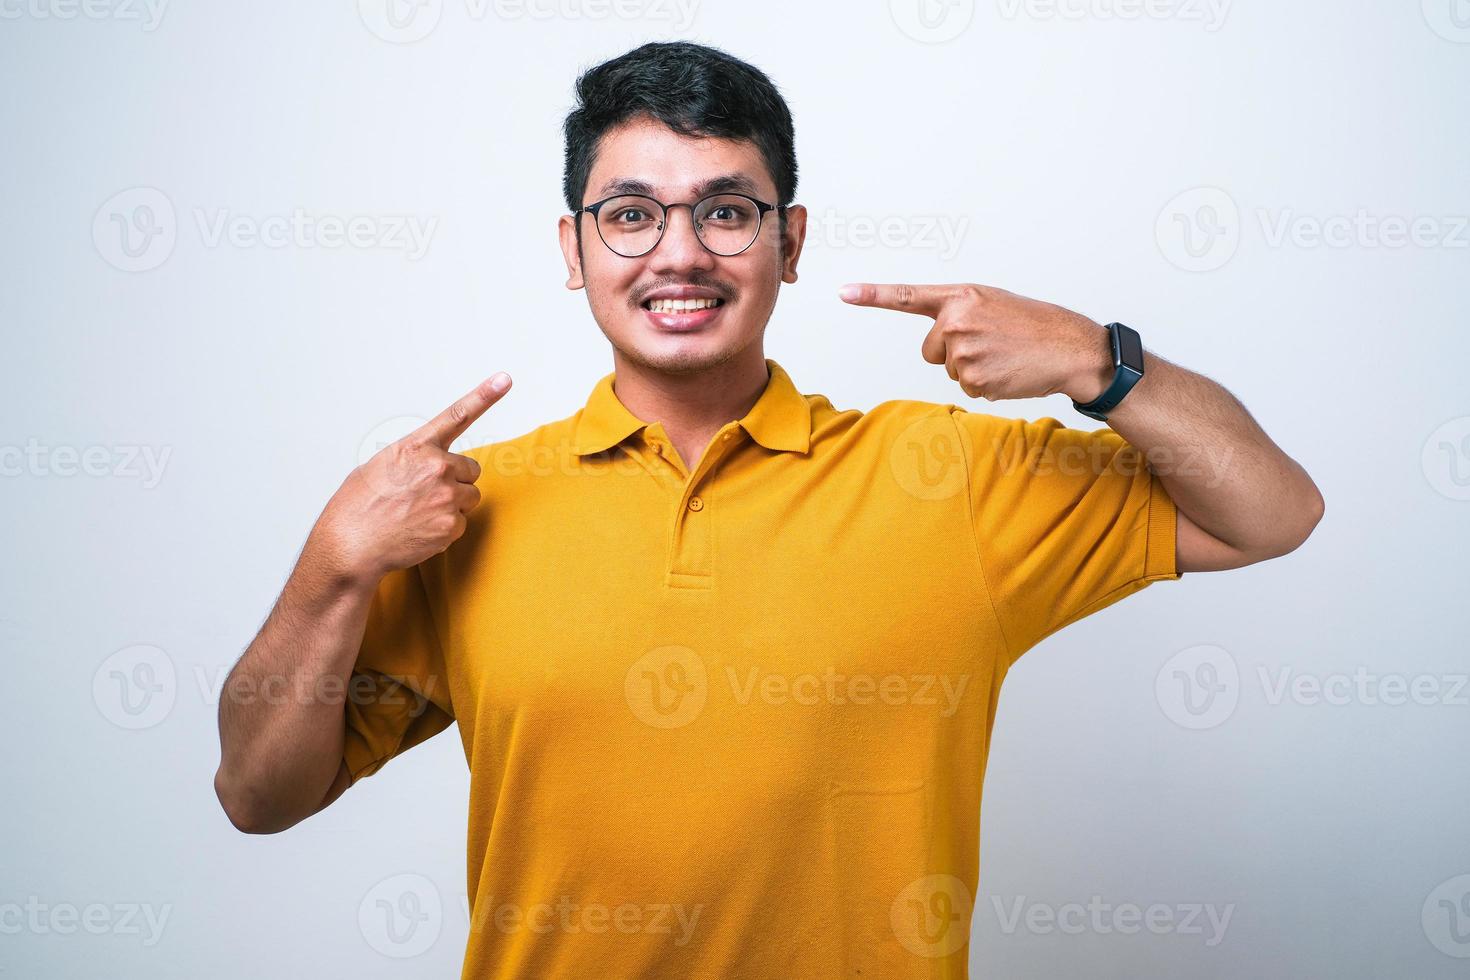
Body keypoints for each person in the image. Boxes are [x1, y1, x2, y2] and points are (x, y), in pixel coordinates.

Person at [213, 40, 1323, 979]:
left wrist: (1096, 357)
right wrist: (333, 566)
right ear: (575, 249)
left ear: (791, 242)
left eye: (727, 212)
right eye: (632, 214)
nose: (681, 254)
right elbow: (261, 797)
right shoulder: (467, 507)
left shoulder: (949, 477)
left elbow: (1270, 512)